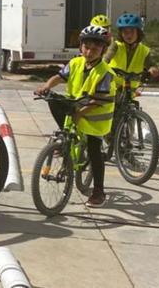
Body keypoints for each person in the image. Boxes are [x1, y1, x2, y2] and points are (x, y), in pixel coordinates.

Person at [34, 25, 116, 207]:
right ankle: (65, 137)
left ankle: (98, 192)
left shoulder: (105, 73)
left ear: (103, 50)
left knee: (95, 151)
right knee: (52, 99)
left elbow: (99, 100)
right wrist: (46, 86)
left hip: (95, 115)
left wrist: (80, 114)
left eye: (95, 48)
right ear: (80, 47)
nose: (89, 52)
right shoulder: (76, 63)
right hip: (77, 106)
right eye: (86, 47)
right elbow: (59, 77)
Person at [105, 13, 159, 89]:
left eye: (132, 31)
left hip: (131, 87)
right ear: (121, 34)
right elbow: (106, 59)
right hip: (112, 85)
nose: (129, 35)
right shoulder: (116, 46)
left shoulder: (144, 50)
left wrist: (153, 70)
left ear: (138, 33)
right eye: (125, 32)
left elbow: (151, 65)